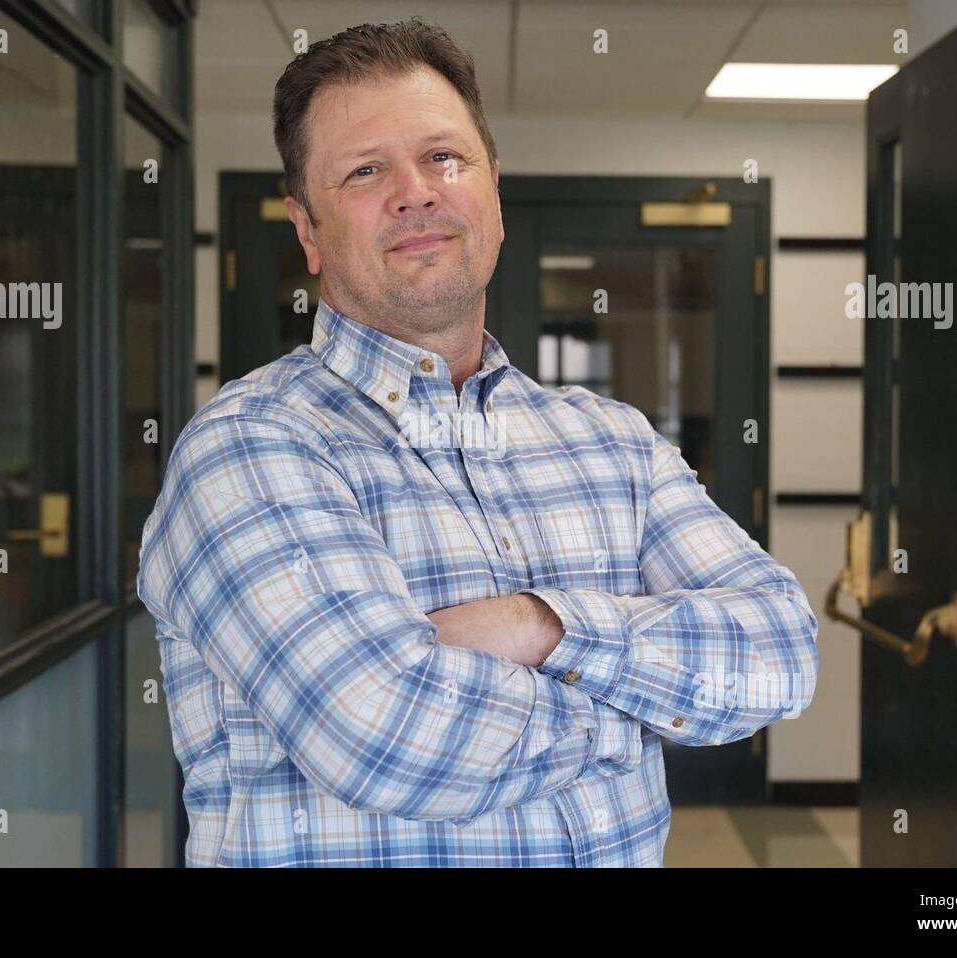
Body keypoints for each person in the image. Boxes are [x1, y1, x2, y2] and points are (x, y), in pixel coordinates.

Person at [137, 17, 818, 867]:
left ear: (492, 193)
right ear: (307, 230)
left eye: (444, 158)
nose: (415, 191)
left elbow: (781, 650)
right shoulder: (249, 451)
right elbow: (388, 737)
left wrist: (542, 627)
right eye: (364, 170)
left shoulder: (612, 443)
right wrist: (645, 711)